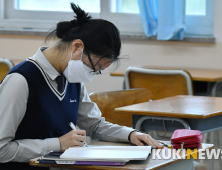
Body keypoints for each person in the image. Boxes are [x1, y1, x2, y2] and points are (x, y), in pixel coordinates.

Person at [0, 2, 163, 170]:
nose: (92, 74)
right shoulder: (21, 80)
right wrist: (57, 144)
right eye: (96, 67)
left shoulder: (71, 77)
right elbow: (1, 149)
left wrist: (130, 134)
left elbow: (94, 125)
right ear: (77, 46)